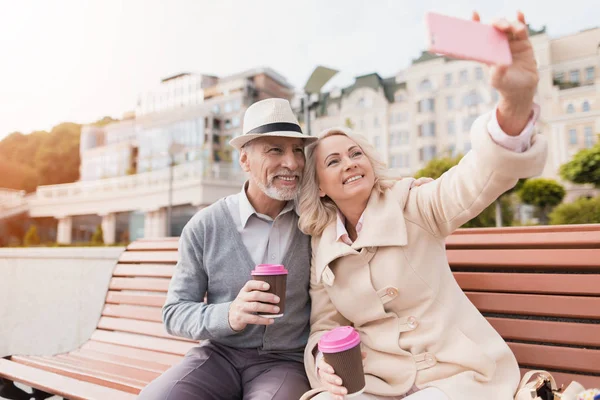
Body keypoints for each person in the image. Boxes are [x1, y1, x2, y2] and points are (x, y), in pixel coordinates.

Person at [297, 11, 548, 400]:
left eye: (355, 153)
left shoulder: (413, 204)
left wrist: (515, 103)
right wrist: (323, 362)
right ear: (321, 188)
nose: (349, 163)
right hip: (377, 384)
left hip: (457, 376)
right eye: (333, 161)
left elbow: (477, 177)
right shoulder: (323, 246)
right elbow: (325, 326)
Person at [138, 98, 316, 400]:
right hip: (219, 356)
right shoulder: (204, 226)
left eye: (298, 150)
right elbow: (175, 313)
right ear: (244, 160)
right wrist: (229, 315)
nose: (293, 162)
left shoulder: (314, 220)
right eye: (275, 149)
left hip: (286, 362)